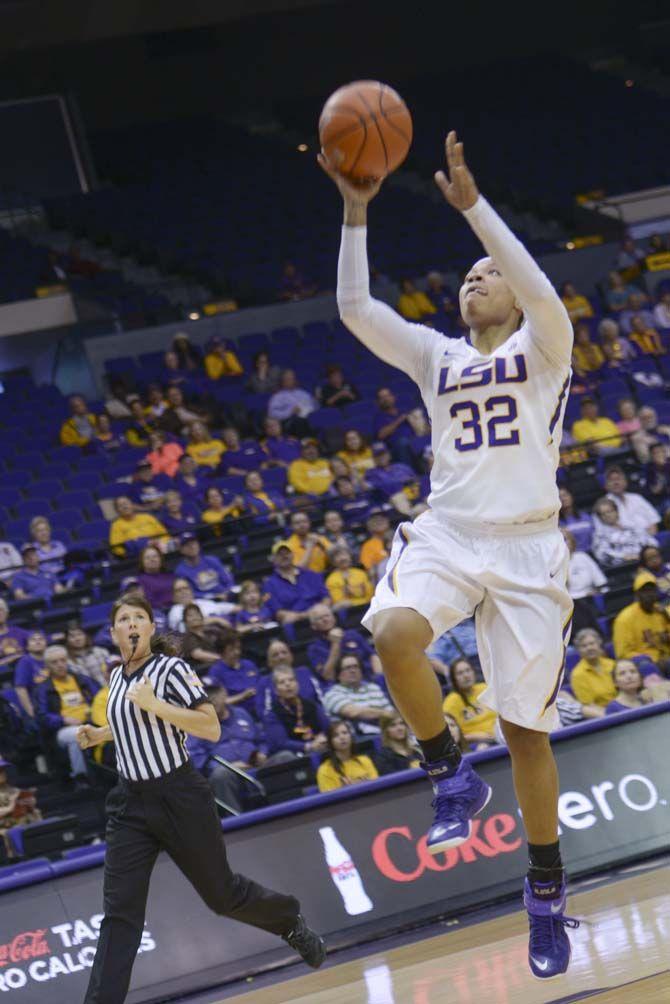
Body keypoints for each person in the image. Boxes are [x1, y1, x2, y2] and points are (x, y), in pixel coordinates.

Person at [320, 129, 580, 977]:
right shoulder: (436, 356)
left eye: (486, 273)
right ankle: (448, 775)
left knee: (525, 732)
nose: (474, 280)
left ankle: (544, 894)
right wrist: (357, 214)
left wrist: (473, 210)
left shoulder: (544, 346)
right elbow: (357, 313)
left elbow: (536, 282)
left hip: (531, 549)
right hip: (448, 533)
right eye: (466, 276)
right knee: (391, 631)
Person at [76, 593, 324, 1002]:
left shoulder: (171, 669)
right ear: (113, 632)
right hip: (130, 805)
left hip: (179, 795)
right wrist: (102, 733)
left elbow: (210, 728)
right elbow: (136, 724)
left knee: (222, 896)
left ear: (152, 628)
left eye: (140, 616)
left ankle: (288, 921)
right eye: (124, 618)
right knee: (120, 917)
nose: (133, 623)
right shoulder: (117, 677)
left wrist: (155, 703)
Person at [36, 644, 97, 784]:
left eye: (63, 660)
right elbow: (42, 717)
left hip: (91, 721)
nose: (60, 665)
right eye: (54, 662)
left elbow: (100, 697)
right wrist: (63, 720)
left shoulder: (82, 680)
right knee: (77, 735)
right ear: (47, 666)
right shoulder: (43, 689)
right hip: (62, 730)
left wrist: (94, 711)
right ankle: (81, 777)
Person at [261, 666, 330, 757]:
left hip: (318, 747)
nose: (288, 684)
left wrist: (323, 737)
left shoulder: (311, 705)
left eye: (291, 680)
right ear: (276, 691)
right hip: (292, 758)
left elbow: (329, 727)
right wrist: (308, 746)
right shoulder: (272, 714)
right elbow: (281, 743)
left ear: (297, 684)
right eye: (282, 682)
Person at [322, 654, 394, 736]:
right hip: (358, 739)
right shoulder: (332, 694)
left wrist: (388, 715)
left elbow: (391, 713)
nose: (353, 670)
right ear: (339, 674)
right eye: (347, 668)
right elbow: (353, 712)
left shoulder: (373, 688)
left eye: (356, 667)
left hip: (386, 733)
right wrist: (384, 713)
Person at [307, 603, 381, 683]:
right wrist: (335, 643)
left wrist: (379, 677)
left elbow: (373, 656)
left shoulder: (352, 634)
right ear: (313, 626)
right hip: (342, 686)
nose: (325, 619)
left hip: (369, 678)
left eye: (327, 616)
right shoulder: (314, 649)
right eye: (319, 618)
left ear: (334, 618)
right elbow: (328, 676)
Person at [262, 541, 330, 626]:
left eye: (287, 553)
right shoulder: (269, 584)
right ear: (273, 559)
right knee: (288, 619)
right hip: (295, 622)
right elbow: (278, 612)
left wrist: (319, 611)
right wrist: (302, 616)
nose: (284, 556)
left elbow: (326, 598)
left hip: (319, 616)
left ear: (293, 555)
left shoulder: (311, 574)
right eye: (280, 554)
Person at [612, 572, 670, 669]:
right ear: (637, 594)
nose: (649, 594)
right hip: (644, 666)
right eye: (645, 591)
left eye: (652, 590)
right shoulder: (624, 619)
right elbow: (622, 654)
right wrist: (650, 661)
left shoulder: (662, 612)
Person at [442, 658, 498, 750]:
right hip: (476, 743)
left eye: (468, 670)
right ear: (454, 679)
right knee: (483, 748)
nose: (466, 675)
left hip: (499, 734)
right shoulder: (450, 702)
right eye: (460, 673)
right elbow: (452, 733)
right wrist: (476, 737)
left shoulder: (485, 688)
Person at [207, 630, 262, 717]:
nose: (237, 652)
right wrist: (242, 696)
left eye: (238, 648)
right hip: (239, 714)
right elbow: (219, 702)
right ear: (222, 652)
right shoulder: (216, 671)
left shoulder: (248, 664)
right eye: (231, 649)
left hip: (261, 709)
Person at [562, 529, 606, 636]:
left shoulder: (582, 557)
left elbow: (601, 582)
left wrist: (596, 591)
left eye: (565, 539)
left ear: (572, 541)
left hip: (590, 599)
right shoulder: (552, 565)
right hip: (571, 605)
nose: (562, 543)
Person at [591, 497, 656, 568]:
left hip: (645, 560)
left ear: (617, 512)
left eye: (609, 511)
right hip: (625, 567)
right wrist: (624, 557)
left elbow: (651, 541)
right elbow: (602, 555)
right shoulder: (599, 535)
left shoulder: (632, 526)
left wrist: (647, 553)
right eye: (603, 514)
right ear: (600, 518)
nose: (607, 515)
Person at [365, 442, 425, 517]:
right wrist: (402, 482)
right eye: (377, 455)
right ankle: (411, 517)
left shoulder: (402, 467)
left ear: (389, 454)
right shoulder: (371, 473)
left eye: (383, 454)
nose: (381, 457)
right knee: (398, 497)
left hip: (415, 495)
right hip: (395, 500)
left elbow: (417, 480)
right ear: (374, 459)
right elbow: (381, 488)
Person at [316, 721, 379, 791]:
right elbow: (329, 799)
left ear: (351, 736)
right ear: (330, 742)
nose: (342, 737)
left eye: (345, 733)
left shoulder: (365, 760)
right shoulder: (324, 770)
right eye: (335, 735)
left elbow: (377, 786)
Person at [0, 756, 42, 859]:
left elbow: (22, 803)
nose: (3, 773)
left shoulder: (11, 789)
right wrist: (11, 806)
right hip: (5, 827)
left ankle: (45, 847)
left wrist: (29, 803)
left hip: (21, 822)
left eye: (3, 770)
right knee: (12, 831)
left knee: (36, 812)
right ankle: (18, 858)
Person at [174, 533, 235, 598]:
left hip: (225, 594)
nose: (192, 547)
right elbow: (191, 592)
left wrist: (227, 591)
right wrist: (213, 596)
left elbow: (228, 579)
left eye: (194, 543)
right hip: (205, 602)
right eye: (187, 545)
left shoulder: (212, 560)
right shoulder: (181, 571)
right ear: (181, 550)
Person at [604, 465, 660, 534]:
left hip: (649, 538)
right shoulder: (604, 505)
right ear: (606, 485)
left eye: (618, 479)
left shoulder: (637, 498)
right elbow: (613, 530)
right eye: (612, 480)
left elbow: (653, 522)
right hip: (626, 541)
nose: (616, 483)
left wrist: (649, 538)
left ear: (625, 482)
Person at [569, 629, 616, 708]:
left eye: (592, 643)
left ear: (599, 644)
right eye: (584, 646)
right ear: (578, 650)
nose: (589, 648)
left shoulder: (612, 664)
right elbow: (589, 705)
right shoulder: (577, 675)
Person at [167, 579, 236, 633]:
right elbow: (184, 627)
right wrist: (215, 620)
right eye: (178, 590)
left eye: (185, 588)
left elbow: (228, 607)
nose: (183, 592)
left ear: (191, 590)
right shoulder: (175, 611)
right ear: (173, 597)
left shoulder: (202, 602)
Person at [605, 659, 670, 714]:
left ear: (640, 677)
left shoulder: (647, 698)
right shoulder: (613, 708)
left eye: (633, 672)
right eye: (622, 673)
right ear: (615, 682)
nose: (629, 676)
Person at [372, 387, 414, 461]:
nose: (386, 399)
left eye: (387, 396)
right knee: (403, 442)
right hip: (396, 447)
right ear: (378, 402)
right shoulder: (379, 417)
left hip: (413, 440)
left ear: (393, 397)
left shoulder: (403, 411)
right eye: (382, 397)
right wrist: (399, 420)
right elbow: (381, 435)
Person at [13, 629, 48, 717]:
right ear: (27, 646)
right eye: (33, 640)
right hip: (38, 704)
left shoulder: (52, 658)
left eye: (41, 639)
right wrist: (31, 713)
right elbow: (20, 689)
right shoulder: (24, 662)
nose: (38, 642)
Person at [65, 623, 109, 687]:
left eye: (79, 634)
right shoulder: (67, 662)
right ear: (67, 641)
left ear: (85, 636)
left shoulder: (101, 652)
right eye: (72, 636)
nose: (77, 638)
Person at [136, 545, 175, 611]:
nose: (152, 559)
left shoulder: (170, 575)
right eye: (147, 558)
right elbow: (148, 602)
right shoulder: (140, 580)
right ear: (142, 562)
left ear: (160, 559)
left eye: (155, 556)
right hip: (158, 612)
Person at [558, 487, 594, 552]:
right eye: (559, 497)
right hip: (573, 556)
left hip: (593, 552)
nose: (563, 499)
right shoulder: (557, 523)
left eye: (565, 495)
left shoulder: (585, 516)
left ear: (571, 496)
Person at [0, 598, 29, 667]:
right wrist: (7, 660)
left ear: (7, 613)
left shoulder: (18, 631)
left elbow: (38, 639)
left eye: (1, 610)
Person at [644, 443, 670, 515]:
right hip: (659, 501)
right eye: (656, 453)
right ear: (651, 456)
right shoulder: (649, 468)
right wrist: (662, 469)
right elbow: (655, 490)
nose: (659, 455)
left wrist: (665, 466)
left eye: (662, 452)